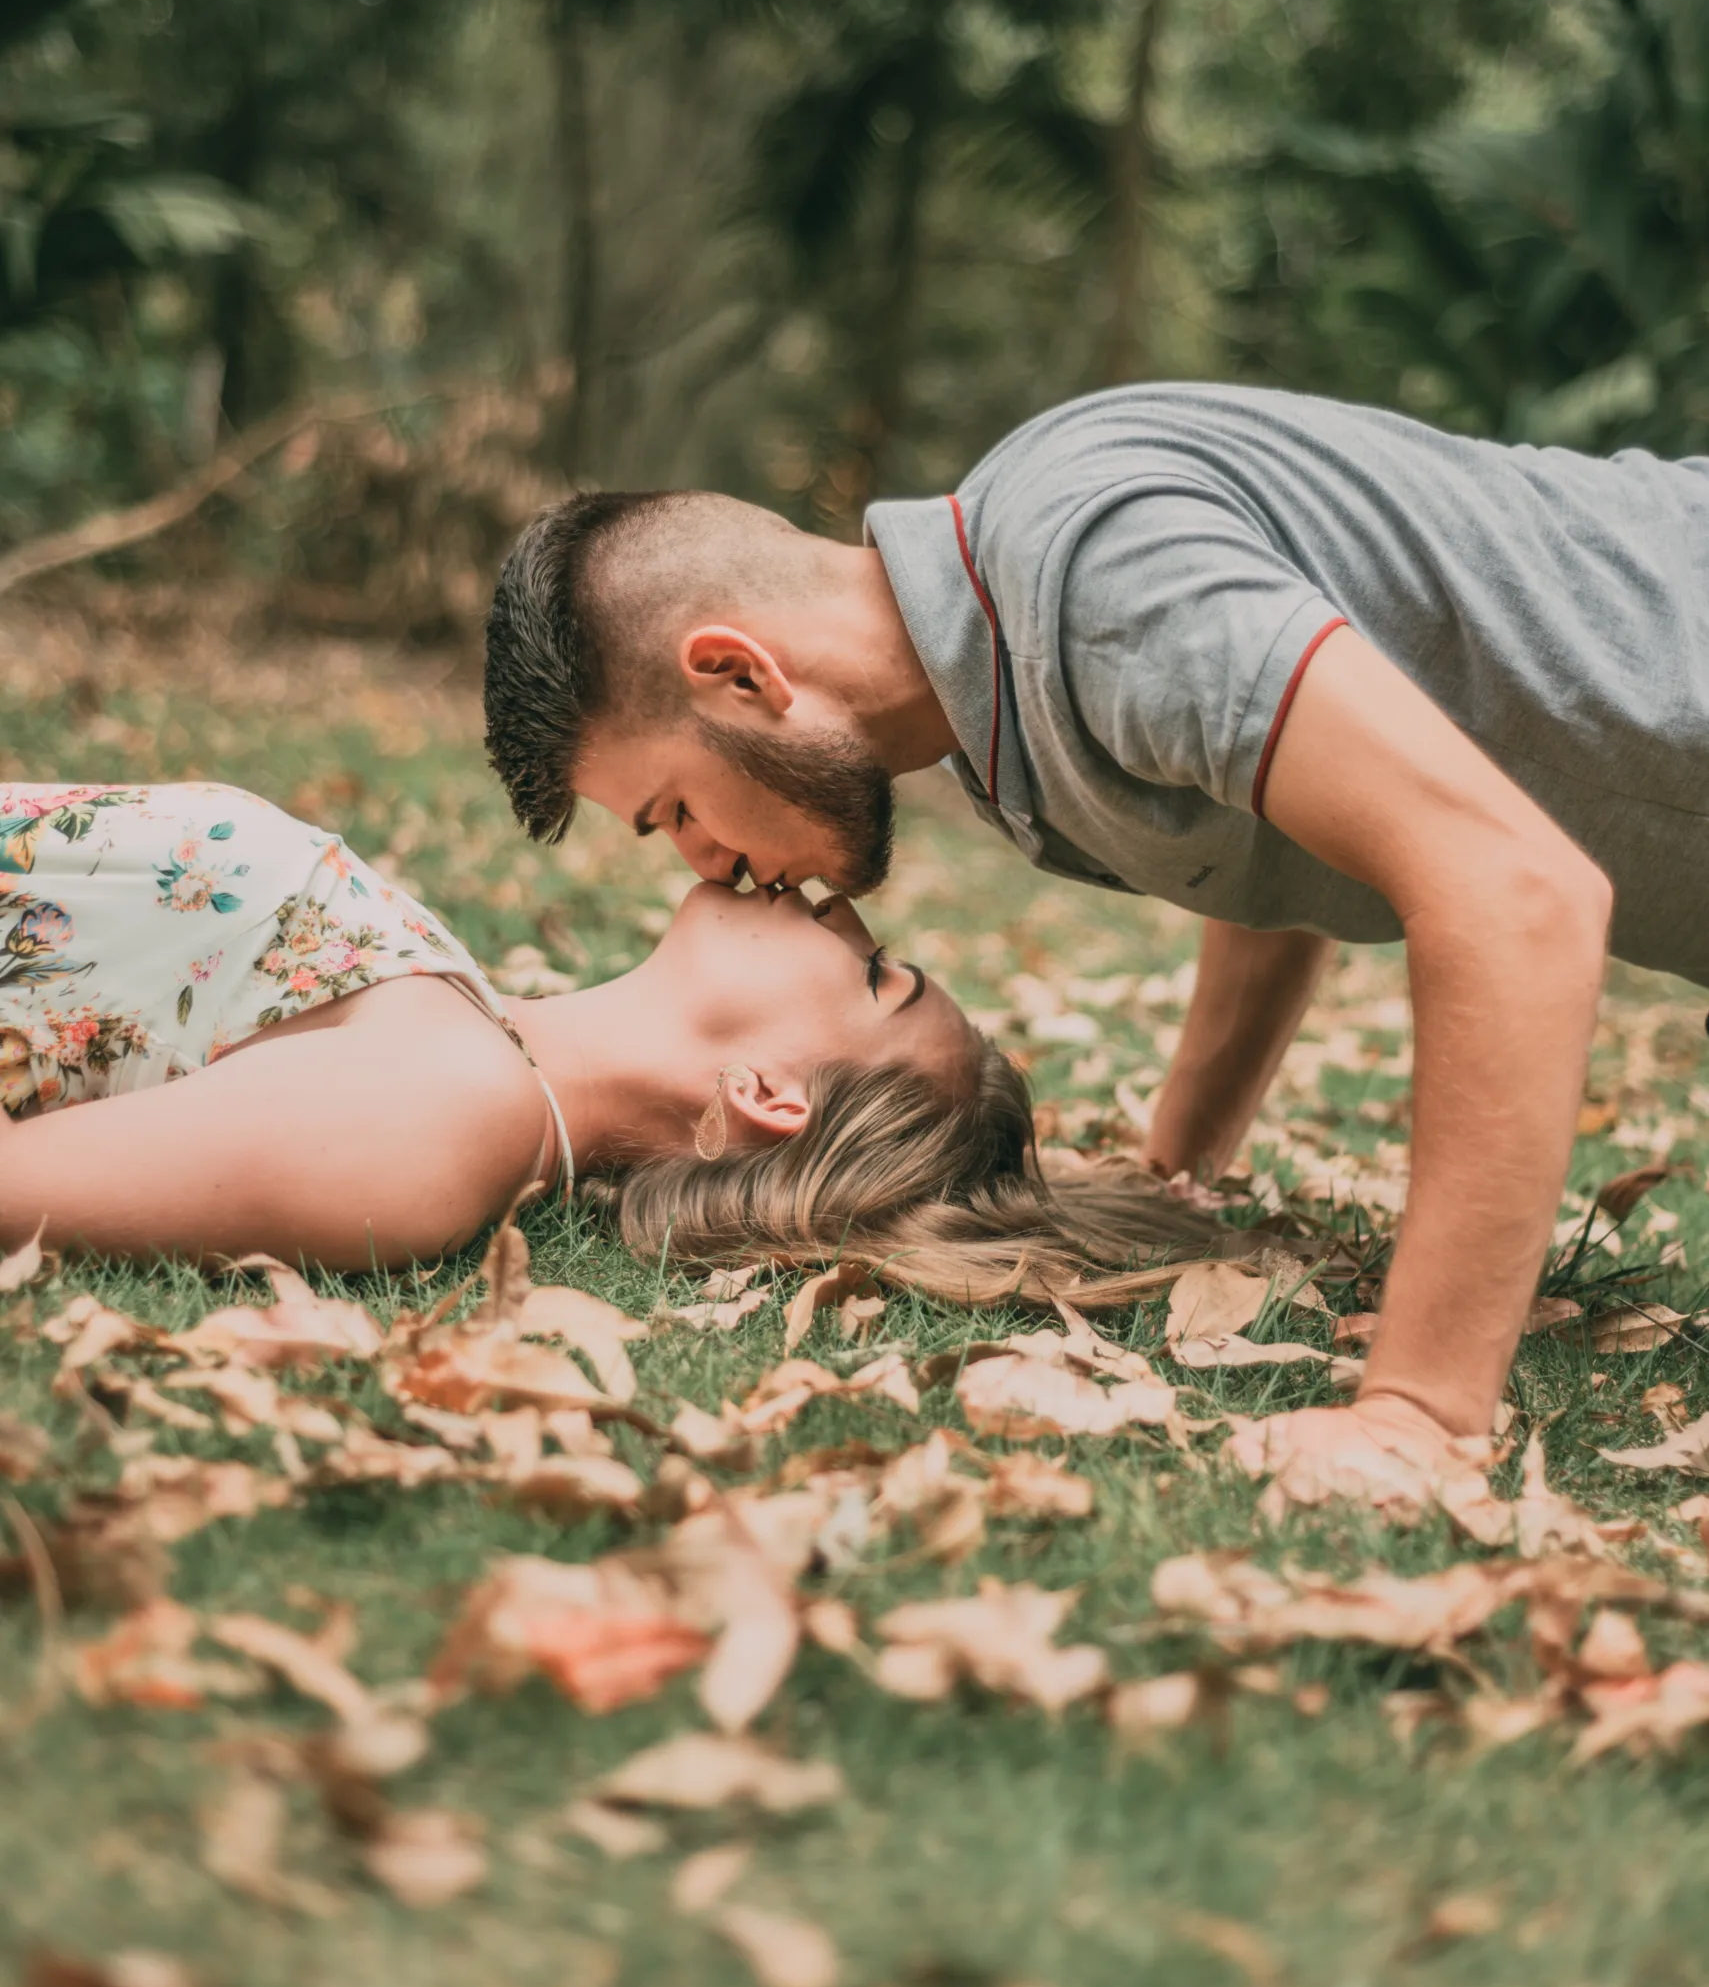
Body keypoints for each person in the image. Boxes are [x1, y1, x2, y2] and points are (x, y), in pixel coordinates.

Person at [483, 382, 1709, 1475]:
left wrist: (1417, 1413)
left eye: (675, 811)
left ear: (740, 674)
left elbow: (1513, 891)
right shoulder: (992, 715)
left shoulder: (1093, 581)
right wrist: (1181, 1161)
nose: (709, 865)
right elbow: (1282, 819)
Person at [0, 776, 1190, 1293]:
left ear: (768, 1089)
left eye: (875, 972)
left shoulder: (444, 1121)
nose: (837, 903)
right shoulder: (464, 1032)